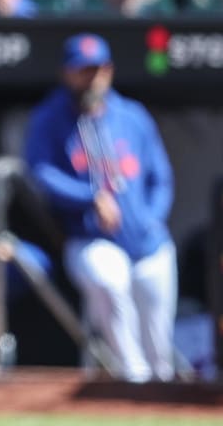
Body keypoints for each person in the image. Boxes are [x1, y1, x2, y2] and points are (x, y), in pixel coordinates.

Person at [23, 33, 176, 382]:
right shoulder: (51, 117)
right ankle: (133, 380)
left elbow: (161, 178)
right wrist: (90, 196)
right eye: (83, 70)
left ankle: (161, 392)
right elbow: (40, 171)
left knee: (158, 335)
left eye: (98, 69)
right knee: (109, 281)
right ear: (67, 73)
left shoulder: (132, 115)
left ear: (108, 70)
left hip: (148, 243)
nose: (92, 78)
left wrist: (151, 220)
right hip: (91, 238)